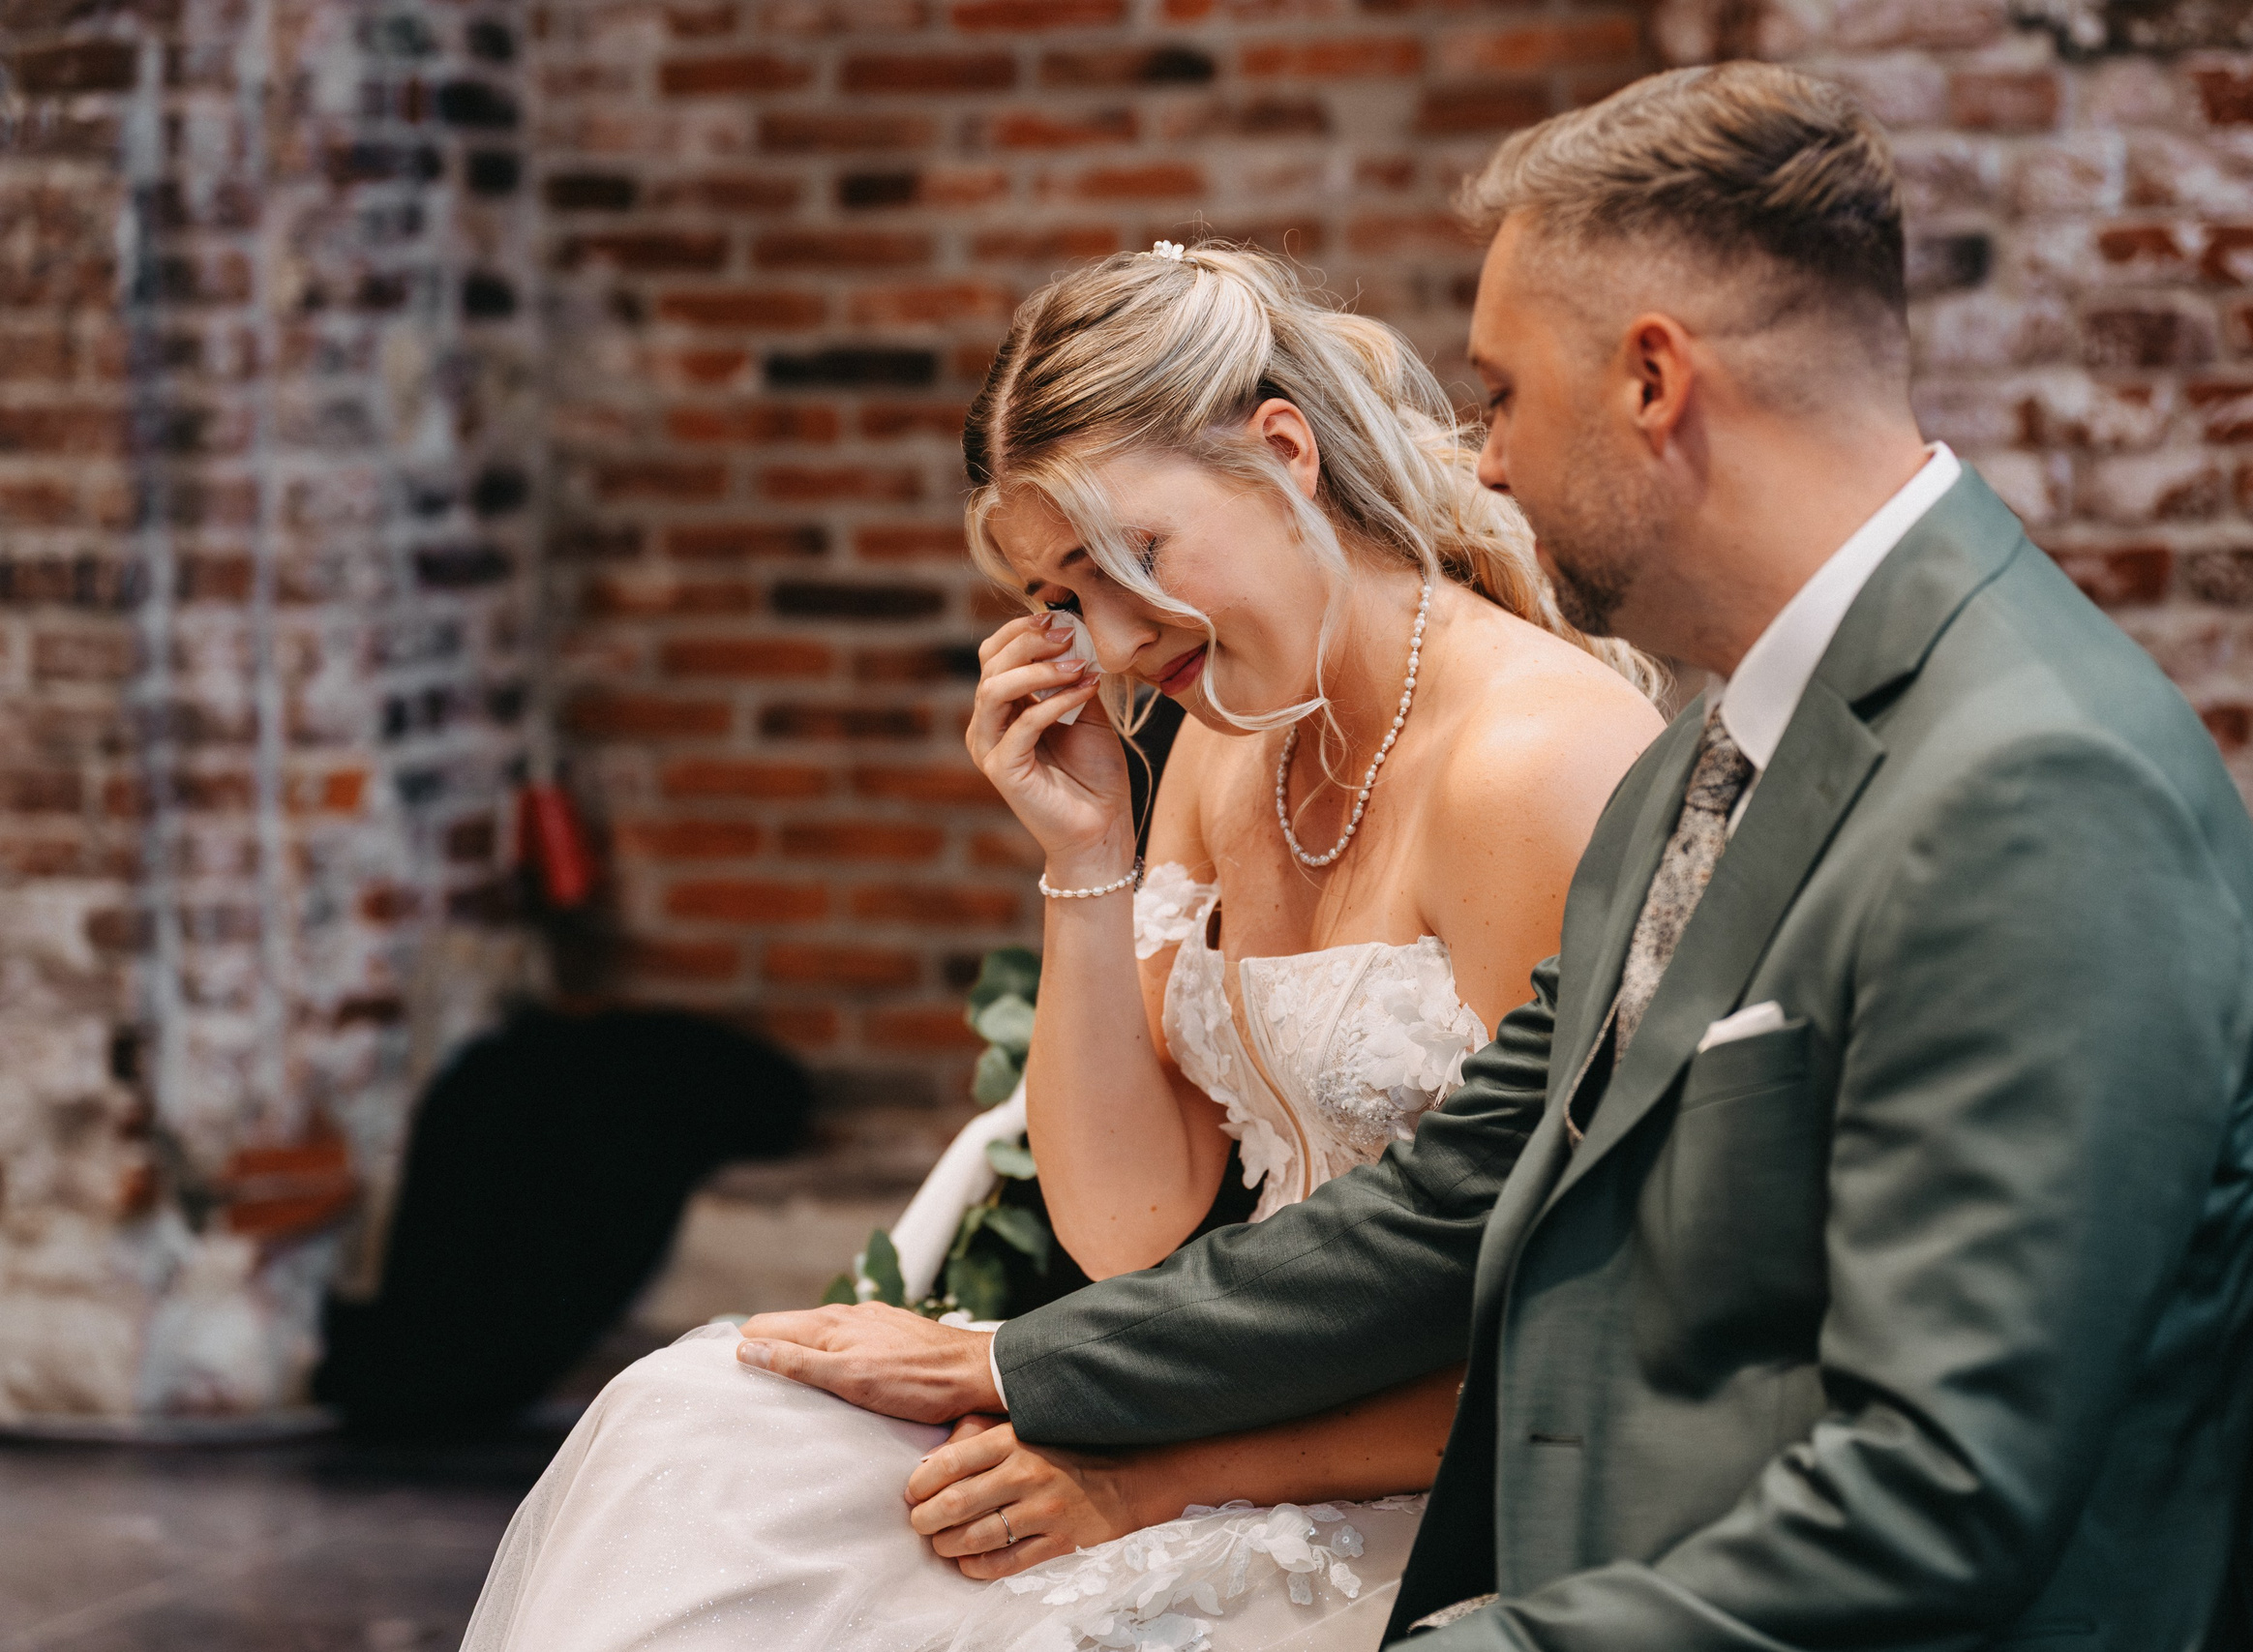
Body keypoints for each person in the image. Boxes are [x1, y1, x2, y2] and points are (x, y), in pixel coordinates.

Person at [752, 61, 2253, 1652]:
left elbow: (1947, 1494)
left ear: (1652, 381)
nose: (1478, 466)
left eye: (1499, 395)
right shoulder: (1730, 744)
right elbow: (1452, 1200)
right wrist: (1026, 1369)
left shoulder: (2040, 787)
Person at [458, 244, 1665, 1651]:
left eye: (1135, 556)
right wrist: (1083, 858)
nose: (1114, 634)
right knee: (692, 1434)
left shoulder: (1530, 765)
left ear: (1286, 456)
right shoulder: (1230, 747)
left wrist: (1130, 1451)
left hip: (1442, 1479)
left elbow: (1570, 1336)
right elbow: (1130, 1227)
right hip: (1202, 1385)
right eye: (1065, 595)